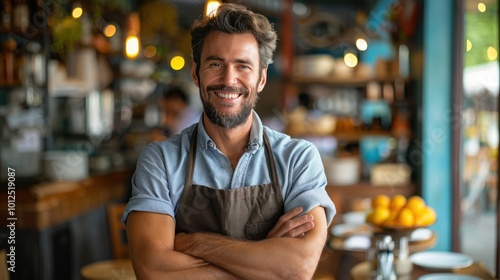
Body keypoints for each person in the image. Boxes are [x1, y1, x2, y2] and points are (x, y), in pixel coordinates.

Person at [122, 3, 336, 279]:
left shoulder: (298, 158)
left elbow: (297, 268)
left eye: (243, 66)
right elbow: (153, 270)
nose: (228, 79)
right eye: (215, 64)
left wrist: (195, 243)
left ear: (261, 79)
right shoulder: (161, 160)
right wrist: (264, 258)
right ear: (196, 73)